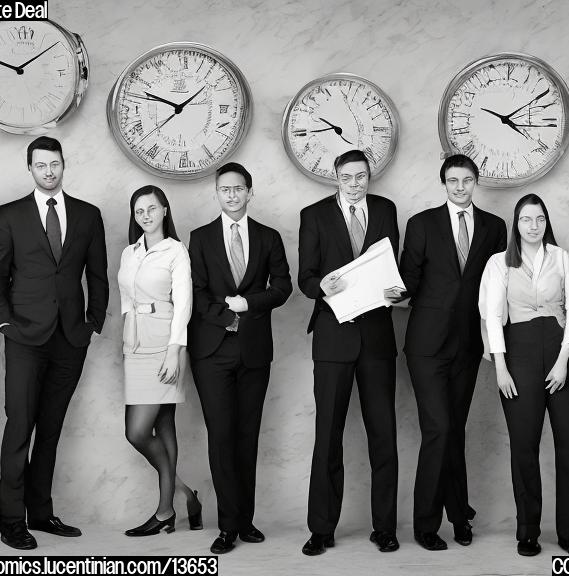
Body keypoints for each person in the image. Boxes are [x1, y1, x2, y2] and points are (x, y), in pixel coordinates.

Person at [0, 137, 108, 551]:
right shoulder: (9, 216)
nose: (49, 171)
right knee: (20, 427)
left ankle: (41, 512)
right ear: (31, 168)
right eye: (41, 165)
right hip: (23, 335)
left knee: (51, 430)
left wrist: (92, 323)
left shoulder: (88, 215)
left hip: (70, 338)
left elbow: (97, 276)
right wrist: (3, 323)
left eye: (55, 164)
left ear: (63, 164)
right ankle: (11, 521)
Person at [298, 149, 405, 556]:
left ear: (369, 177)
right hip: (333, 337)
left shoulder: (385, 209)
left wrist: (400, 292)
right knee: (328, 435)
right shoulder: (314, 215)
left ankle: (385, 527)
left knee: (384, 436)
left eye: (361, 176)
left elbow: (392, 268)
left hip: (377, 336)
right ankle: (321, 528)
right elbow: (304, 277)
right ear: (336, 177)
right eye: (348, 177)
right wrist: (320, 287)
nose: (355, 183)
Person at [399, 154, 506, 551]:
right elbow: (408, 279)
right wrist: (384, 290)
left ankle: (460, 515)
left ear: (476, 182)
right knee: (438, 430)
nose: (459, 187)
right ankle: (426, 524)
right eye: (452, 181)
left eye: (466, 180)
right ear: (442, 183)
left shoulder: (495, 227)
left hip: (467, 343)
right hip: (426, 345)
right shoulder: (422, 224)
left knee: (454, 431)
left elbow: (495, 288)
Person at [188, 163, 292, 555]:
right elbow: (196, 292)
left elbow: (283, 287)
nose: (230, 195)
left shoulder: (268, 237)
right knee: (221, 437)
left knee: (247, 437)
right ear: (217, 193)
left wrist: (248, 303)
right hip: (212, 352)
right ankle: (227, 525)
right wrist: (227, 316)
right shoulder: (199, 238)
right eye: (224, 189)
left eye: (237, 189)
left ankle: (245, 520)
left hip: (253, 352)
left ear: (250, 192)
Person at [479, 193, 569, 557]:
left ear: (546, 222)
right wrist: (501, 367)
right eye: (527, 219)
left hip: (560, 353)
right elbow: (493, 316)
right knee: (524, 447)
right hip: (518, 356)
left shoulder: (561, 258)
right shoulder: (499, 263)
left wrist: (563, 360)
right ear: (516, 223)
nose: (534, 225)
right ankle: (528, 531)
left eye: (540, 218)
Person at [118, 186, 202, 537]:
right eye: (139, 210)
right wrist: (125, 338)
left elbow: (183, 303)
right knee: (163, 424)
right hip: (134, 345)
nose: (146, 215)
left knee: (137, 432)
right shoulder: (129, 252)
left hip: (164, 344)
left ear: (165, 211)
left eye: (153, 208)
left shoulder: (175, 251)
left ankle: (167, 508)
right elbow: (124, 298)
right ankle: (184, 496)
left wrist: (175, 350)